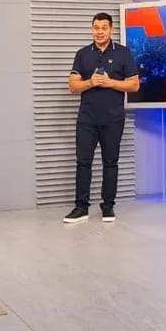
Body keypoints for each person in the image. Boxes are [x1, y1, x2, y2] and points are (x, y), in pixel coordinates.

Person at [63, 12, 140, 223]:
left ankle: (108, 207)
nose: (99, 32)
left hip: (113, 119)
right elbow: (73, 86)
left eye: (104, 28)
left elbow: (134, 85)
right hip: (87, 119)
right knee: (83, 162)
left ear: (111, 30)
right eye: (96, 28)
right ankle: (81, 208)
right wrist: (90, 82)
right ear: (92, 29)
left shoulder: (123, 53)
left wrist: (110, 82)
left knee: (110, 162)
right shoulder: (82, 54)